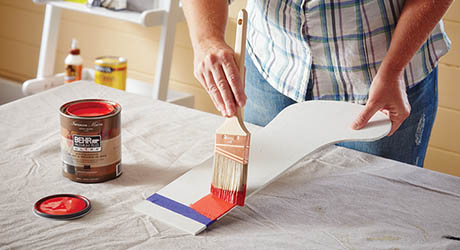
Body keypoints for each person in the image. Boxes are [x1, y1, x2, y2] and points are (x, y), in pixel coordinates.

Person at [181, 0, 452, 167]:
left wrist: (393, 69)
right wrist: (206, 39)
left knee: (375, 215)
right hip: (273, 65)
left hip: (381, 80)